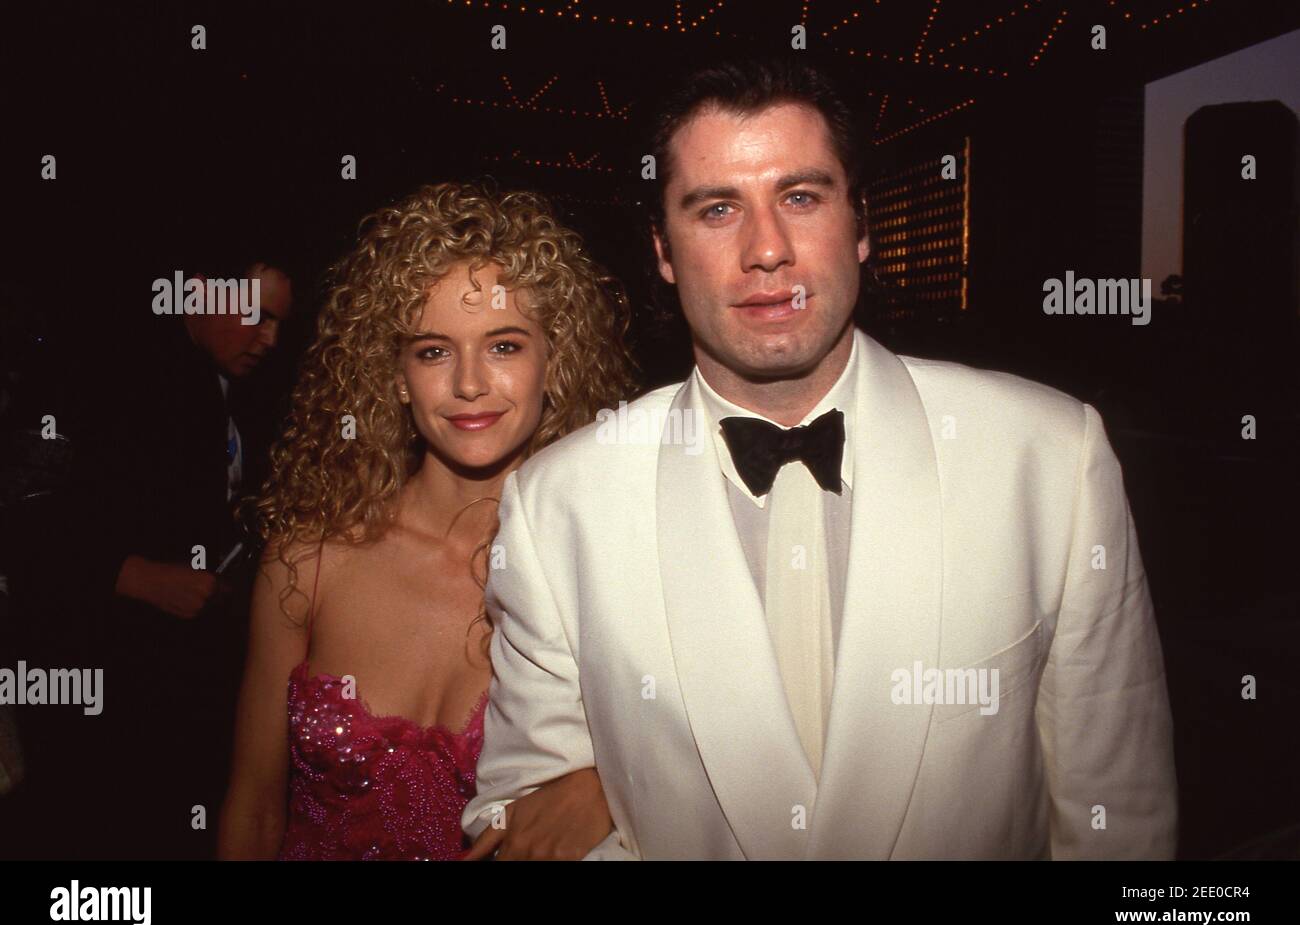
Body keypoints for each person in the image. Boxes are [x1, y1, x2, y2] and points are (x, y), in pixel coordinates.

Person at [462, 59, 1178, 859]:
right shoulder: (558, 504)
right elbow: (518, 821)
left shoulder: (1049, 457)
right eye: (717, 209)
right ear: (663, 250)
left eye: (801, 197)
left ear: (862, 226)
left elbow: (1121, 819)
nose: (766, 250)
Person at [218, 182, 638, 860]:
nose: (469, 384)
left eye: (504, 346)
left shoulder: (602, 569)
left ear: (553, 361)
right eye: (433, 350)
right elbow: (253, 810)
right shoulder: (309, 559)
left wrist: (614, 787)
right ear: (395, 374)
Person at [37, 256, 294, 859]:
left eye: (280, 322)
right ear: (197, 295)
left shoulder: (228, 387)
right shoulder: (123, 377)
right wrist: (134, 576)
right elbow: (38, 513)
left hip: (181, 677)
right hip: (114, 685)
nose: (270, 338)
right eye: (256, 315)